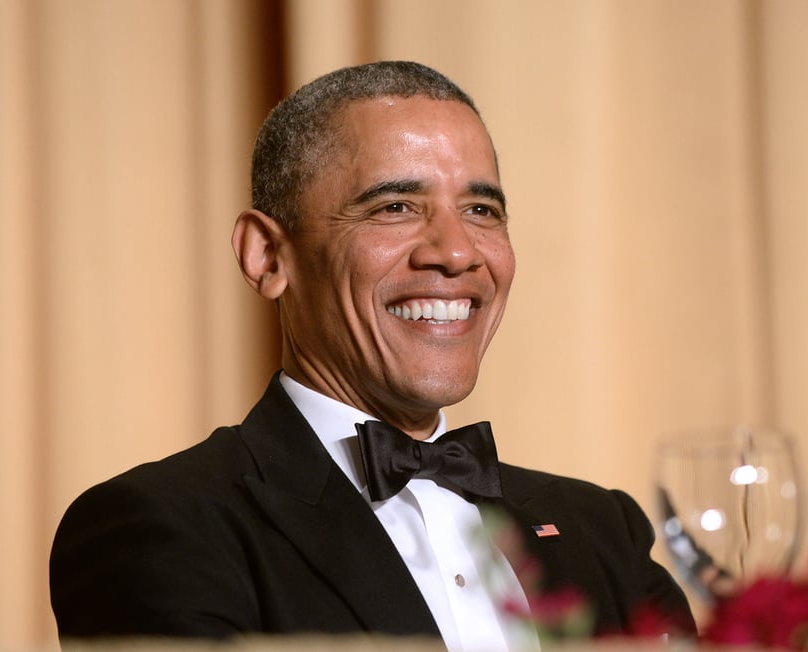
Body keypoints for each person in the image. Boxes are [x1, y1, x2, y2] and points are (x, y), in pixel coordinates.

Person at [49, 61, 695, 649]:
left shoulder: (603, 531)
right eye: (395, 207)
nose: (456, 251)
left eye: (481, 208)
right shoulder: (161, 529)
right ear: (268, 257)